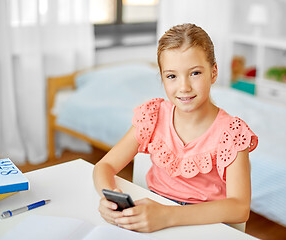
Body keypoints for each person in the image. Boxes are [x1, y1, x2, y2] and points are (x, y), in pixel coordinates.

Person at [93, 23, 258, 233]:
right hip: (154, 218)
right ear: (162, 78)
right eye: (172, 76)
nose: (184, 87)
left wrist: (167, 216)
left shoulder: (232, 133)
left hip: (204, 225)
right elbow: (104, 166)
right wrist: (108, 197)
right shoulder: (153, 116)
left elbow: (239, 208)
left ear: (214, 72)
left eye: (195, 73)